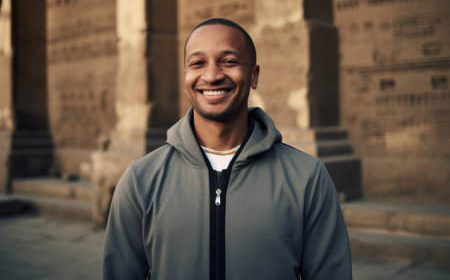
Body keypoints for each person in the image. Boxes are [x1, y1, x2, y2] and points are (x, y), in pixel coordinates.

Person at [102, 18, 352, 280]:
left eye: (229, 61)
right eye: (197, 63)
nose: (212, 76)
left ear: (253, 76)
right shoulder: (140, 181)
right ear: (186, 76)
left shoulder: (307, 178)